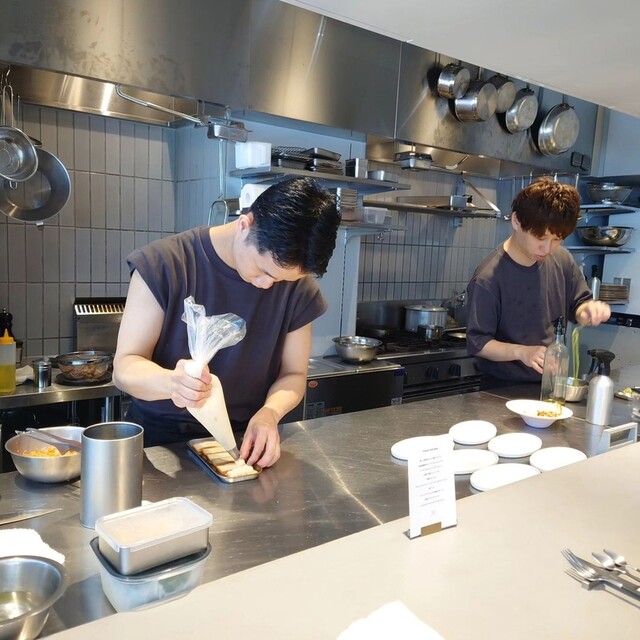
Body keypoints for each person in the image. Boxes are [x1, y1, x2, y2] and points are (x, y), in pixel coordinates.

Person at [113, 177, 340, 468]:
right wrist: (173, 383)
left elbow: (294, 373)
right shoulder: (164, 264)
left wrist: (269, 414)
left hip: (243, 441)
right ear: (245, 225)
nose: (267, 285)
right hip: (159, 443)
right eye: (263, 271)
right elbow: (125, 368)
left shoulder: (296, 287)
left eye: (282, 280)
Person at [466, 178, 611, 384]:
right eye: (540, 238)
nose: (547, 248)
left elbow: (578, 305)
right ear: (516, 221)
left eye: (557, 239)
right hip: (500, 388)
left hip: (551, 383)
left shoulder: (562, 259)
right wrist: (522, 352)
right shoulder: (488, 277)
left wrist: (587, 310)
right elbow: (478, 343)